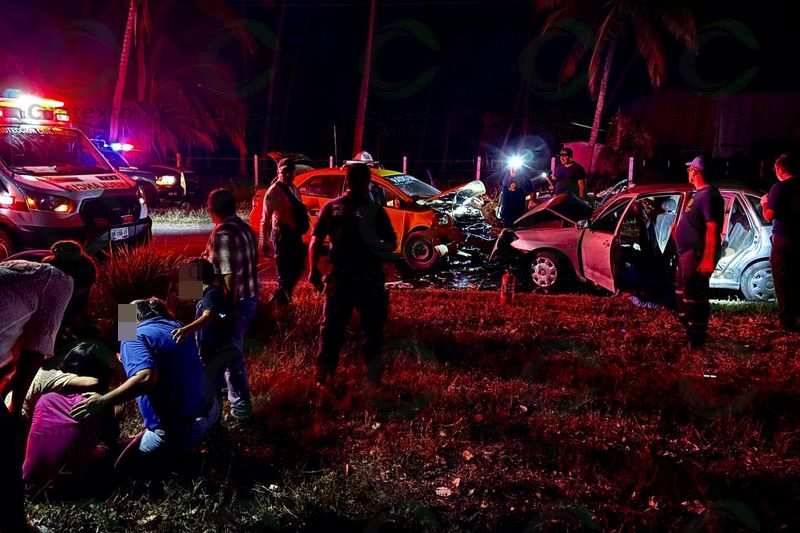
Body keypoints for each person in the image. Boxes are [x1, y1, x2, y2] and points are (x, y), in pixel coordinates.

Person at [70, 298, 219, 472]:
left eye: (124, 319)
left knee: (117, 465)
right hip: (210, 412)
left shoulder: (134, 336)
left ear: (130, 319)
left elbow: (146, 377)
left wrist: (104, 400)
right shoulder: (176, 325)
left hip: (179, 430)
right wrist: (128, 354)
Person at [308, 163, 398, 387]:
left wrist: (313, 272)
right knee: (373, 328)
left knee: (331, 328)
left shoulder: (331, 207)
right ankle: (374, 377)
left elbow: (315, 242)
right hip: (370, 280)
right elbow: (391, 243)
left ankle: (323, 375)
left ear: (347, 182)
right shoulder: (375, 210)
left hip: (340, 278)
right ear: (368, 183)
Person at [0, 260, 72, 533]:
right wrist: (16, 414)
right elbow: (31, 357)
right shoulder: (58, 284)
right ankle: (15, 526)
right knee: (5, 450)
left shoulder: (18, 272)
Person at [22, 341, 117, 495]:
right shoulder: (97, 405)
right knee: (107, 451)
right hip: (69, 490)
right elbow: (110, 436)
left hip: (29, 486)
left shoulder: (46, 399)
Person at [203, 188, 259, 420]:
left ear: (212, 209)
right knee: (229, 352)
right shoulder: (244, 227)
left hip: (234, 303)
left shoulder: (223, 233)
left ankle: (241, 409)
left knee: (230, 356)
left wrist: (228, 310)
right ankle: (229, 397)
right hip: (250, 297)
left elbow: (228, 276)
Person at [674, 156, 724, 349]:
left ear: (695, 171)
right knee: (682, 296)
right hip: (686, 253)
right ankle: (690, 333)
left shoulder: (710, 195)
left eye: (690, 169)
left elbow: (712, 229)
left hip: (695, 255)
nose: (688, 172)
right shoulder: (698, 194)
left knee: (695, 298)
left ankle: (697, 339)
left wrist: (708, 259)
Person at [171, 258, 237, 399]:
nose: (182, 284)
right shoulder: (207, 295)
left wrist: (185, 330)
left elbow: (208, 316)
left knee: (211, 387)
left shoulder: (210, 295)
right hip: (211, 350)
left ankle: (214, 418)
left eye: (185, 278)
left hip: (213, 351)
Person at [761, 153, 800, 332]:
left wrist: (764, 203)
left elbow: (769, 216)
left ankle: (786, 321)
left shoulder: (779, 187)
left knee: (782, 279)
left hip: (783, 239)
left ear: (780, 169)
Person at [261, 158, 306, 306]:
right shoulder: (273, 192)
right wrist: (264, 243)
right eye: (284, 171)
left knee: (299, 267)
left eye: (290, 171)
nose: (288, 174)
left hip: (295, 235)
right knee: (284, 274)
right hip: (282, 236)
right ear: (278, 172)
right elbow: (265, 220)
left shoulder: (294, 188)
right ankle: (281, 305)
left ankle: (278, 300)